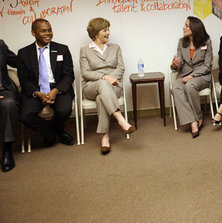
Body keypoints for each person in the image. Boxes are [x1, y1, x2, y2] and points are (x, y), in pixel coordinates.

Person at [80, 18, 135, 154]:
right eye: (105, 30)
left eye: (108, 29)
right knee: (102, 85)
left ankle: (104, 137)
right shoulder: (85, 50)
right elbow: (85, 73)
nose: (108, 33)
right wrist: (105, 77)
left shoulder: (115, 48)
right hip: (92, 87)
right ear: (96, 33)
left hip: (113, 86)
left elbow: (121, 67)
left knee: (101, 98)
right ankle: (120, 118)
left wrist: (112, 79)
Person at [17, 19, 76, 147]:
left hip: (57, 87)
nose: (48, 33)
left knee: (64, 110)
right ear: (33, 33)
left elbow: (69, 75)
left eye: (49, 30)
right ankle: (52, 132)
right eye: (43, 31)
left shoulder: (62, 49)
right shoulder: (23, 53)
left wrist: (55, 91)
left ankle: (54, 131)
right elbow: (24, 80)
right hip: (35, 88)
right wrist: (38, 93)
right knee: (24, 116)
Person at [171, 16, 212, 138]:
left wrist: (192, 75)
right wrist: (174, 65)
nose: (183, 27)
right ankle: (193, 121)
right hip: (184, 74)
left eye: (186, 25)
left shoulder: (207, 41)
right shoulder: (181, 42)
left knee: (190, 85)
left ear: (195, 28)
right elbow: (180, 65)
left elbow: (207, 65)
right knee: (176, 87)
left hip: (202, 75)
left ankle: (199, 115)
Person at [0, 40, 18, 172]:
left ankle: (7, 148)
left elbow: (17, 62)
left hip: (3, 89)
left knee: (9, 103)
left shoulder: (0, 44)